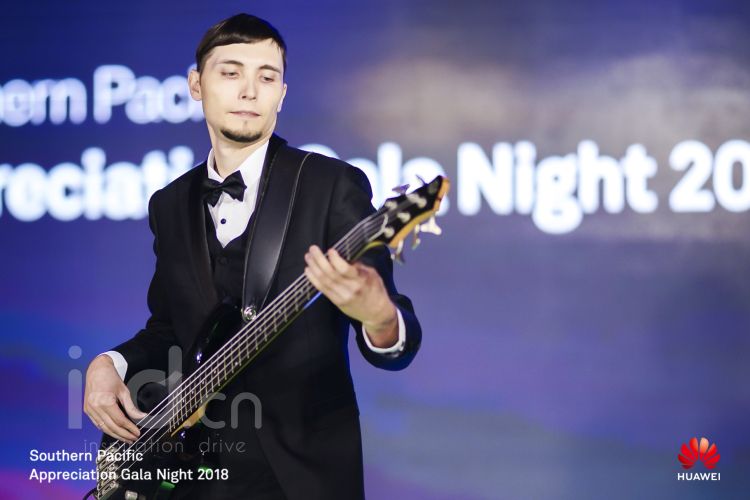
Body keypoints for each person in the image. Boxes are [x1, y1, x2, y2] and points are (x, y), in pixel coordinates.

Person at [83, 13, 421, 500]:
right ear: (196, 85)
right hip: (189, 478)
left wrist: (380, 316)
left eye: (266, 77)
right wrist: (110, 364)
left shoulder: (330, 185)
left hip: (301, 479)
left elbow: (396, 339)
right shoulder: (169, 204)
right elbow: (171, 330)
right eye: (231, 72)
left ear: (282, 94)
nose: (249, 91)